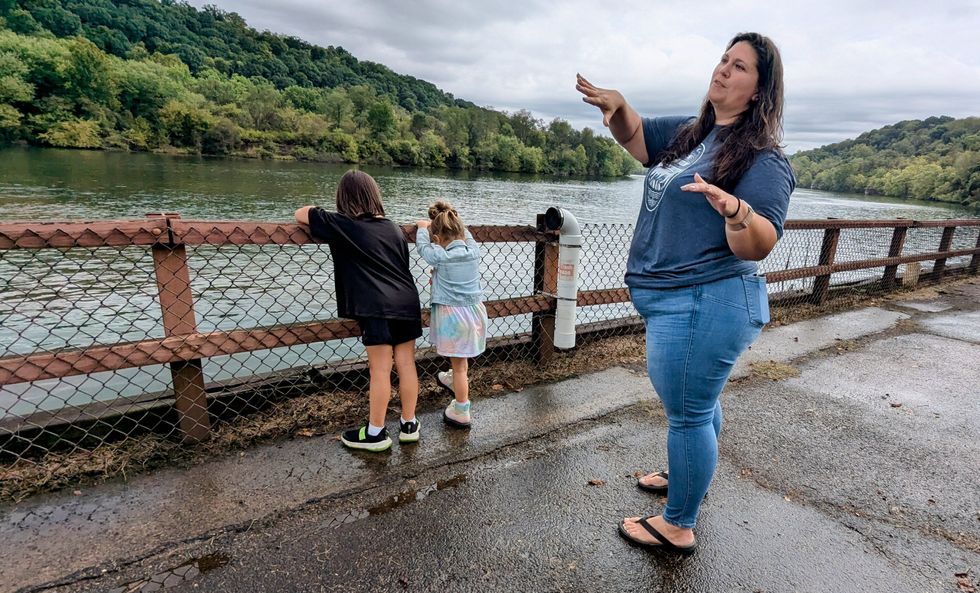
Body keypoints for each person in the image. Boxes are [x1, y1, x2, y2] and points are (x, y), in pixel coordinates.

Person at [576, 32, 794, 554]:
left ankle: (678, 523)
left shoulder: (763, 160)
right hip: (675, 299)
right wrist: (621, 105)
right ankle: (687, 476)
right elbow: (635, 141)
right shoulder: (689, 133)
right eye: (723, 59)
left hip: (707, 300)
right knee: (700, 402)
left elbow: (759, 243)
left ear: (759, 92)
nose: (722, 69)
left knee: (689, 413)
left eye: (738, 66)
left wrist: (737, 211)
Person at [294, 170, 423, 452]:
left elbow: (301, 213)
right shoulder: (394, 228)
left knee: (380, 369)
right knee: (406, 364)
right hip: (407, 301)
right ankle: (409, 424)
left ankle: (375, 433)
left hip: (375, 306)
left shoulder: (343, 225)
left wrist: (329, 213)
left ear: (344, 199)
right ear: (375, 196)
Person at [415, 201, 487, 429]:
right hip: (474, 313)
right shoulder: (473, 252)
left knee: (458, 366)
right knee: (460, 361)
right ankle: (452, 379)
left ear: (437, 239)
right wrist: (455, 220)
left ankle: (461, 409)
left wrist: (421, 228)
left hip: (454, 318)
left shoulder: (439, 256)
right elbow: (468, 235)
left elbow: (422, 247)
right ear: (461, 233)